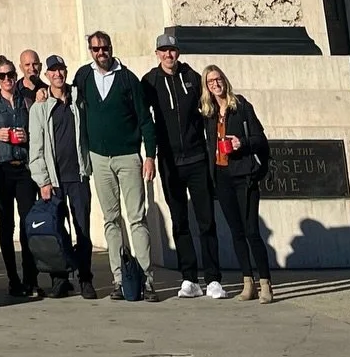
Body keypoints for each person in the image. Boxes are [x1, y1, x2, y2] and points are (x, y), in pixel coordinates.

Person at [71, 31, 158, 302]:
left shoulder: (127, 79)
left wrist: (150, 155)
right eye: (96, 49)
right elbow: (68, 99)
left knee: (136, 218)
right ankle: (120, 280)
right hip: (99, 158)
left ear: (111, 48)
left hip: (128, 157)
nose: (101, 53)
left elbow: (145, 120)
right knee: (111, 220)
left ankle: (147, 280)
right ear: (90, 50)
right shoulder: (83, 77)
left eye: (105, 48)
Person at [143, 32, 223, 299]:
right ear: (157, 54)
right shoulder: (150, 81)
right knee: (179, 222)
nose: (169, 55)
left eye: (173, 50)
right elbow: (142, 117)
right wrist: (150, 154)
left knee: (206, 221)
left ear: (178, 52)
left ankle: (213, 279)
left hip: (197, 159)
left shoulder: (192, 77)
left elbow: (209, 110)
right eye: (164, 50)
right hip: (170, 162)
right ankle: (189, 278)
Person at [201, 65, 273, 302]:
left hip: (244, 176)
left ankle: (265, 283)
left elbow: (260, 139)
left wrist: (242, 143)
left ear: (224, 80)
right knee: (236, 232)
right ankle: (247, 282)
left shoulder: (241, 106)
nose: (215, 84)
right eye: (210, 82)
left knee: (251, 231)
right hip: (222, 177)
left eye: (218, 79)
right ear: (207, 87)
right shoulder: (209, 113)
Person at [27, 54, 96, 298]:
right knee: (55, 231)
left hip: (78, 176)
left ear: (66, 72)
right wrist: (43, 180)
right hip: (53, 181)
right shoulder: (40, 107)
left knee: (83, 230)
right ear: (47, 75)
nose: (58, 74)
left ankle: (85, 278)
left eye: (61, 70)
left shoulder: (78, 100)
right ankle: (60, 279)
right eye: (53, 71)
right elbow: (36, 148)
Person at [0, 56, 41, 300]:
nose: (7, 79)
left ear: (16, 75)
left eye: (10, 75)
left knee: (28, 223)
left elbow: (38, 131)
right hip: (1, 170)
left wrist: (27, 136)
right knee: (6, 224)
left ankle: (30, 278)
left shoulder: (26, 101)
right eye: (2, 76)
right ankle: (13, 279)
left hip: (24, 169)